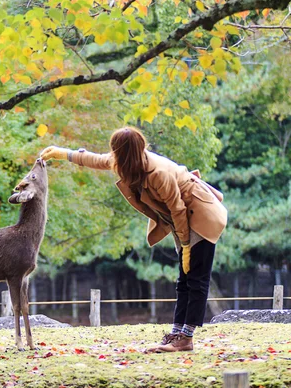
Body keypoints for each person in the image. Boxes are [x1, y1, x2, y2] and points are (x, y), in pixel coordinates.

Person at [40, 127, 227, 353]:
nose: (112, 154)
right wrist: (63, 153)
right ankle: (177, 333)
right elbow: (96, 159)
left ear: (123, 151)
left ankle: (186, 338)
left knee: (195, 278)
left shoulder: (158, 173)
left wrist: (186, 245)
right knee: (183, 279)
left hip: (200, 215)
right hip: (183, 219)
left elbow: (178, 209)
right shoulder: (124, 162)